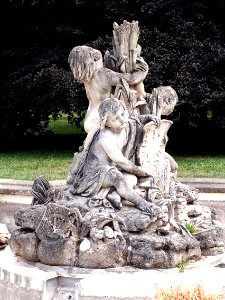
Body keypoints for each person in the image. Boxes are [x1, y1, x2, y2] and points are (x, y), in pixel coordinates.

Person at [70, 97, 161, 216]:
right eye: (116, 119)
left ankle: (115, 195)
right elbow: (120, 161)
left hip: (109, 168)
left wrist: (148, 118)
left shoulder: (123, 124)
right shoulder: (105, 138)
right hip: (96, 172)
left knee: (131, 179)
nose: (122, 119)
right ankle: (140, 203)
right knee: (118, 177)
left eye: (122, 114)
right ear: (106, 123)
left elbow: (134, 121)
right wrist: (140, 170)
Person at [68, 45, 149, 138]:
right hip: (102, 117)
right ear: (89, 60)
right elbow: (131, 79)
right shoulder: (103, 74)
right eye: (90, 50)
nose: (93, 50)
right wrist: (144, 69)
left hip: (91, 117)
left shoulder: (86, 78)